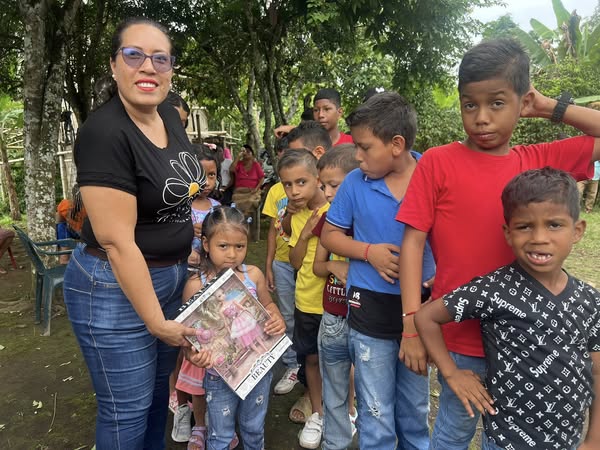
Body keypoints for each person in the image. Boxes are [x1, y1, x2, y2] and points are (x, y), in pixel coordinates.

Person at [397, 38, 600, 450]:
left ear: (522, 102)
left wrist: (549, 106)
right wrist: (410, 325)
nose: (482, 118)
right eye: (469, 105)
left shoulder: (538, 162)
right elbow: (413, 245)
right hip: (457, 339)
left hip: (527, 344)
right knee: (452, 433)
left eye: (497, 103)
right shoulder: (437, 161)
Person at [62, 18, 199, 450]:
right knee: (127, 410)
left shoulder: (169, 116)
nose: (148, 67)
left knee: (158, 398)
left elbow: (174, 195)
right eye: (134, 55)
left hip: (171, 276)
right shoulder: (104, 133)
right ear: (114, 65)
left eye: (161, 58)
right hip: (113, 286)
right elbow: (117, 242)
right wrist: (157, 323)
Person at [415, 167, 600, 450]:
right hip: (506, 441)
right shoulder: (494, 289)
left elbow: (596, 372)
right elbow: (427, 316)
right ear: (508, 233)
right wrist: (451, 373)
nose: (539, 237)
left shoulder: (590, 300)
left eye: (554, 225)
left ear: (577, 231)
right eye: (525, 226)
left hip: (568, 442)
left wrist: (594, 438)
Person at [320, 92, 435, 450]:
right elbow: (330, 235)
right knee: (375, 411)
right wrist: (369, 253)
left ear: (397, 144)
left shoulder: (433, 175)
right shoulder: (356, 183)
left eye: (365, 147)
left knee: (415, 408)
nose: (357, 156)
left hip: (422, 308)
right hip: (368, 306)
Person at [184, 206, 285, 450]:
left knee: (253, 427)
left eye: (240, 246)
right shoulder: (196, 285)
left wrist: (277, 318)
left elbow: (268, 304)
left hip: (258, 369)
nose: (232, 254)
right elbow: (187, 337)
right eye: (223, 246)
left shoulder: (254, 275)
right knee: (220, 434)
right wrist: (192, 355)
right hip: (218, 375)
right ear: (206, 244)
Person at [278, 149, 329, 449]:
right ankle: (318, 413)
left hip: (335, 301)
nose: (294, 191)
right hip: (306, 301)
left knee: (340, 360)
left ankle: (346, 411)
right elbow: (295, 262)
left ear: (317, 178)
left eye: (301, 182)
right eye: (287, 184)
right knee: (310, 357)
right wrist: (307, 232)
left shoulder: (336, 208)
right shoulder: (297, 216)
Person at [171, 144, 221, 444]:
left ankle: (210, 414)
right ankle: (180, 404)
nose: (206, 182)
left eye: (211, 175)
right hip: (181, 279)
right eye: (199, 175)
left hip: (209, 283)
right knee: (181, 346)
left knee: (206, 345)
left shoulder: (218, 209)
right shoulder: (176, 207)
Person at [311, 145, 360, 450]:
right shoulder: (329, 220)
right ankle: (335, 443)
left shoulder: (372, 219)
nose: (327, 193)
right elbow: (317, 266)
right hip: (334, 317)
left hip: (368, 319)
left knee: (373, 392)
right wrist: (332, 265)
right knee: (334, 389)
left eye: (334, 185)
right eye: (323, 186)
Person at [262, 136, 300, 396]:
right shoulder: (276, 191)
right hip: (283, 263)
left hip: (308, 264)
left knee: (309, 314)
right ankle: (292, 364)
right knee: (287, 315)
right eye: (282, 152)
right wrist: (269, 264)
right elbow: (272, 231)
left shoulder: (312, 187)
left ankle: (311, 364)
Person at [229, 144, 264, 219]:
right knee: (235, 202)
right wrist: (238, 157)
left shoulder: (256, 165)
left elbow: (262, 178)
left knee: (252, 201)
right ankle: (240, 218)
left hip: (252, 191)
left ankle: (246, 217)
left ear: (252, 154)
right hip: (239, 192)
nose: (246, 153)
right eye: (244, 152)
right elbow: (231, 169)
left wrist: (256, 189)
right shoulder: (239, 164)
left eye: (248, 152)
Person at [55, 184, 86, 264]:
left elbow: (59, 221)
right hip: (86, 234)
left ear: (72, 194)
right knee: (62, 226)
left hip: (83, 234)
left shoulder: (65, 204)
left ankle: (64, 257)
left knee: (61, 226)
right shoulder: (91, 206)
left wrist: (70, 220)